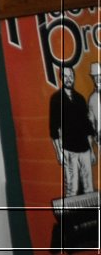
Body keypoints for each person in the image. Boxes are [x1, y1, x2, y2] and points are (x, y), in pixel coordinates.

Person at [51, 66, 97, 197]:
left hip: (85, 149)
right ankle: (73, 217)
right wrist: (59, 152)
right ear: (61, 78)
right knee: (72, 187)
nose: (69, 79)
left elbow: (87, 127)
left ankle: (93, 215)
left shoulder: (80, 99)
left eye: (71, 76)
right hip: (69, 150)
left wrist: (92, 151)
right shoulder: (56, 99)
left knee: (89, 187)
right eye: (65, 76)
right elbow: (54, 129)